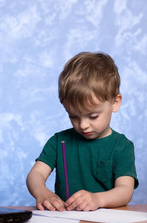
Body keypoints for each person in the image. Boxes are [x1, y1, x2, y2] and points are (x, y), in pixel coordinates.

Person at [26, 52, 138, 212]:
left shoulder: (122, 146)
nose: (83, 125)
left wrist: (97, 199)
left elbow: (125, 191)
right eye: (73, 116)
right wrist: (42, 192)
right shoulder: (59, 142)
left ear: (115, 103)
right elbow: (35, 175)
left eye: (93, 116)